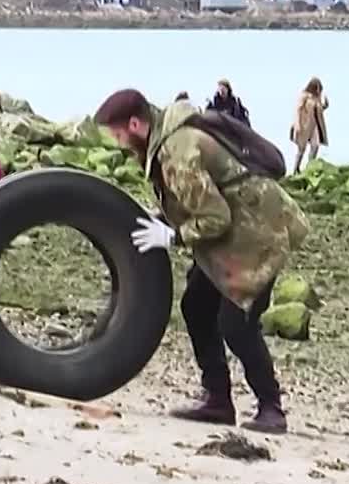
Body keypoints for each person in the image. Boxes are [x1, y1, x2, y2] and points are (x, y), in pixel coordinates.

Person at [94, 89, 309, 434]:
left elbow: (216, 217)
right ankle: (218, 400)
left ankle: (271, 408)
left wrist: (174, 236)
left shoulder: (177, 151)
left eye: (118, 135)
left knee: (237, 325)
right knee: (196, 305)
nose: (118, 143)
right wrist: (164, 218)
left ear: (135, 124)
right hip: (230, 236)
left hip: (257, 236)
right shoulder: (163, 139)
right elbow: (197, 199)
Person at [291, 77, 329, 172]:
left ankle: (310, 166)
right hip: (304, 125)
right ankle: (296, 168)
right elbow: (298, 109)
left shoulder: (317, 98)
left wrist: (325, 106)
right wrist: (297, 124)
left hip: (314, 125)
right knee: (301, 148)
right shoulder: (304, 96)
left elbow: (319, 110)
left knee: (315, 145)